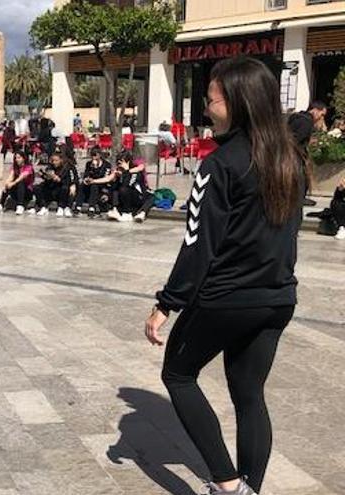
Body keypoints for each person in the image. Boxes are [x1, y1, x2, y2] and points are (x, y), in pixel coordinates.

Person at [146, 57, 304, 495]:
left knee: (177, 375)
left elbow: (199, 244)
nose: (206, 109)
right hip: (276, 300)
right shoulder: (290, 158)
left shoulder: (219, 165)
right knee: (249, 394)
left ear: (235, 103)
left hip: (225, 298)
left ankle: (228, 484)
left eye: (211, 100)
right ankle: (250, 489)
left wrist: (166, 303)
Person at [102, 152, 153, 223]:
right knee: (116, 189)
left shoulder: (135, 172)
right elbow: (113, 186)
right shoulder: (119, 171)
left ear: (127, 162)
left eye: (121, 162)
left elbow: (128, 185)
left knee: (124, 189)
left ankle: (128, 213)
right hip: (125, 198)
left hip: (138, 197)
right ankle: (115, 210)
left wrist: (125, 172)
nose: (119, 165)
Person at [34, 151, 78, 217]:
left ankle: (62, 207)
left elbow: (72, 179)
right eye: (53, 160)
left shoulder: (68, 167)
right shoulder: (51, 166)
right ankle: (43, 206)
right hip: (53, 187)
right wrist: (43, 175)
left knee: (65, 188)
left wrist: (73, 184)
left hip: (64, 187)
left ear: (61, 160)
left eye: (56, 160)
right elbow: (48, 177)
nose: (54, 162)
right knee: (37, 187)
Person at [0, 151, 34, 215]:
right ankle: (1, 205)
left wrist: (12, 183)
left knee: (20, 182)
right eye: (16, 158)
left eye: (19, 158)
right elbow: (11, 176)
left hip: (27, 192)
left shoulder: (28, 167)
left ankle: (20, 206)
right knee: (8, 184)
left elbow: (21, 177)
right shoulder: (15, 167)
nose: (17, 160)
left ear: (23, 158)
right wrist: (7, 184)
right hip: (17, 192)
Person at [79, 147, 113, 217]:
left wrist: (96, 168)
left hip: (101, 186)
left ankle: (92, 207)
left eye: (95, 155)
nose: (93, 157)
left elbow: (105, 179)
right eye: (92, 155)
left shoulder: (106, 165)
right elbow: (86, 174)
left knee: (94, 186)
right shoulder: (89, 164)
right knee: (82, 185)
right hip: (90, 185)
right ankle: (78, 206)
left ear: (99, 155)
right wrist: (86, 179)